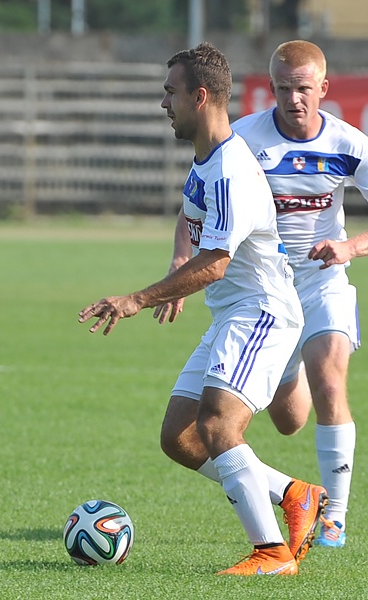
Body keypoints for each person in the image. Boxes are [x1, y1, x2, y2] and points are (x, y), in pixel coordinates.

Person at [79, 42, 327, 576]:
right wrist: (177, 262)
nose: (162, 103)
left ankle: (272, 553)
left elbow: (216, 263)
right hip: (233, 312)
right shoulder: (206, 160)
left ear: (201, 95)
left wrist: (139, 298)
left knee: (217, 424)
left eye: (170, 93)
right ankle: (293, 494)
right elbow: (189, 214)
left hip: (262, 311)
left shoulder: (231, 171)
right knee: (180, 437)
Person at [230, 40, 368, 548]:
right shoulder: (243, 141)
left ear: (323, 89)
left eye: (304, 89)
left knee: (332, 384)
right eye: (284, 89)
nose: (294, 99)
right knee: (289, 422)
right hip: (267, 295)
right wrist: (181, 259)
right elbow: (193, 204)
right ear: (271, 90)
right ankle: (295, 369)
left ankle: (334, 517)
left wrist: (350, 247)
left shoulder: (348, 143)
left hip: (323, 284)